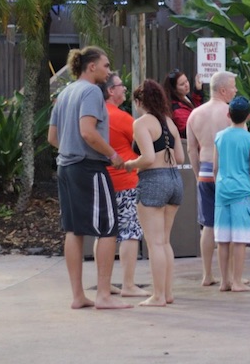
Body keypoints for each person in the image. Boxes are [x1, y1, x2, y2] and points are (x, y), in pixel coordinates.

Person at [47, 46, 131, 310]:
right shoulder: (91, 91)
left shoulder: (65, 92)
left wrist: (70, 150)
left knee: (74, 230)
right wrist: (113, 155)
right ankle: (104, 296)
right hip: (89, 168)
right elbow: (88, 132)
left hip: (66, 167)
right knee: (108, 228)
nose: (108, 71)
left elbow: (52, 137)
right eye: (106, 66)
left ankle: (78, 296)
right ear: (91, 66)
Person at [124, 79, 185, 307]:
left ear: (140, 101)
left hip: (153, 181)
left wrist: (130, 164)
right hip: (174, 180)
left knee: (155, 243)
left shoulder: (142, 124)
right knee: (165, 242)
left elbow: (148, 158)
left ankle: (158, 296)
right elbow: (179, 157)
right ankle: (167, 293)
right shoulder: (169, 122)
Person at [186, 70, 237, 286]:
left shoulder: (195, 114)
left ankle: (207, 274)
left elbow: (191, 149)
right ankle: (233, 275)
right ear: (223, 90)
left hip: (205, 170)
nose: (235, 90)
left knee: (208, 224)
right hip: (227, 171)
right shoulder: (230, 113)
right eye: (233, 87)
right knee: (233, 224)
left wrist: (198, 173)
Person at [101, 72, 148, 297]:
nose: (124, 90)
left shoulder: (94, 117)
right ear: (111, 91)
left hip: (102, 181)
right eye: (121, 86)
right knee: (130, 232)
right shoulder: (123, 118)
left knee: (105, 233)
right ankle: (128, 284)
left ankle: (105, 283)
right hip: (126, 180)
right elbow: (142, 143)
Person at [212, 96, 250, 293]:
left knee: (223, 239)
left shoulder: (219, 136)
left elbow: (215, 167)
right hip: (242, 191)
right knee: (239, 239)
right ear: (248, 116)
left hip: (223, 190)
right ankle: (238, 281)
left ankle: (225, 281)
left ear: (228, 114)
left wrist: (219, 184)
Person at [163, 69, 203, 138]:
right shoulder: (177, 109)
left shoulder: (184, 96)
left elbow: (194, 107)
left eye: (186, 81)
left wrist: (198, 90)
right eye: (182, 84)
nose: (186, 85)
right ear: (174, 89)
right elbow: (187, 130)